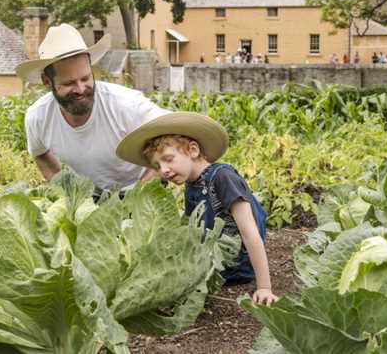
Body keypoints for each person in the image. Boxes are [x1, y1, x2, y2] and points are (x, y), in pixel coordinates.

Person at [116, 109, 278, 306]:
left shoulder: (223, 177)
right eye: (157, 166)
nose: (164, 170)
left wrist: (264, 287)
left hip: (234, 265)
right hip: (209, 260)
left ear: (193, 150)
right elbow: (193, 233)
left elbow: (250, 231)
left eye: (168, 159)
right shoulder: (192, 184)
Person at [16, 23, 159, 198]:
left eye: (85, 78)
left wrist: (137, 198)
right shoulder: (38, 117)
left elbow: (172, 137)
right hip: (89, 197)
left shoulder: (127, 105)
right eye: (69, 83)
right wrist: (69, 194)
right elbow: (40, 154)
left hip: (138, 189)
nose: (80, 88)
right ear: (47, 81)